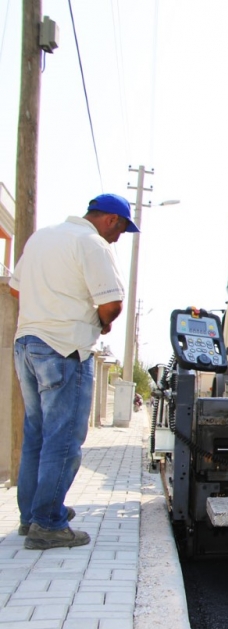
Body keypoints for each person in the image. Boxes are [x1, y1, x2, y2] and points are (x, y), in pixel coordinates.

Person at [8, 194, 132, 549]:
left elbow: (16, 289)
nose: (118, 237)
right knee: (63, 439)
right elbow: (111, 304)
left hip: (27, 344)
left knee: (36, 434)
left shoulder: (42, 237)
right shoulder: (92, 243)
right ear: (110, 219)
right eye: (121, 229)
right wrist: (100, 323)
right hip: (65, 348)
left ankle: (31, 515)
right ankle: (48, 523)